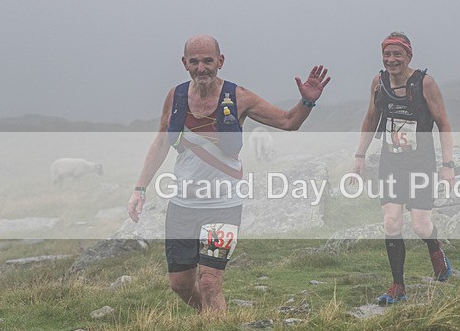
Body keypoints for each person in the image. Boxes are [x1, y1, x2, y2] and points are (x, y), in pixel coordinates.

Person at [127, 35, 330, 314]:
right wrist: (139, 189)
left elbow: (287, 121)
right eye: (194, 61)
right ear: (184, 63)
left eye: (208, 61)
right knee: (179, 284)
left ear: (220, 62)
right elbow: (162, 142)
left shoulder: (238, 96)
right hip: (182, 207)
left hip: (223, 207)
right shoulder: (175, 97)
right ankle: (213, 318)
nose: (201, 68)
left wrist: (306, 103)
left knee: (210, 283)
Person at [351, 32, 455, 304]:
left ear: (409, 56)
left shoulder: (425, 83)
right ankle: (398, 286)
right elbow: (371, 118)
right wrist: (359, 156)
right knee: (392, 221)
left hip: (420, 163)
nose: (391, 60)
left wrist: (448, 165)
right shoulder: (379, 82)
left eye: (397, 54)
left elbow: (443, 124)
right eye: (387, 54)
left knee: (421, 226)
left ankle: (436, 251)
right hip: (391, 162)